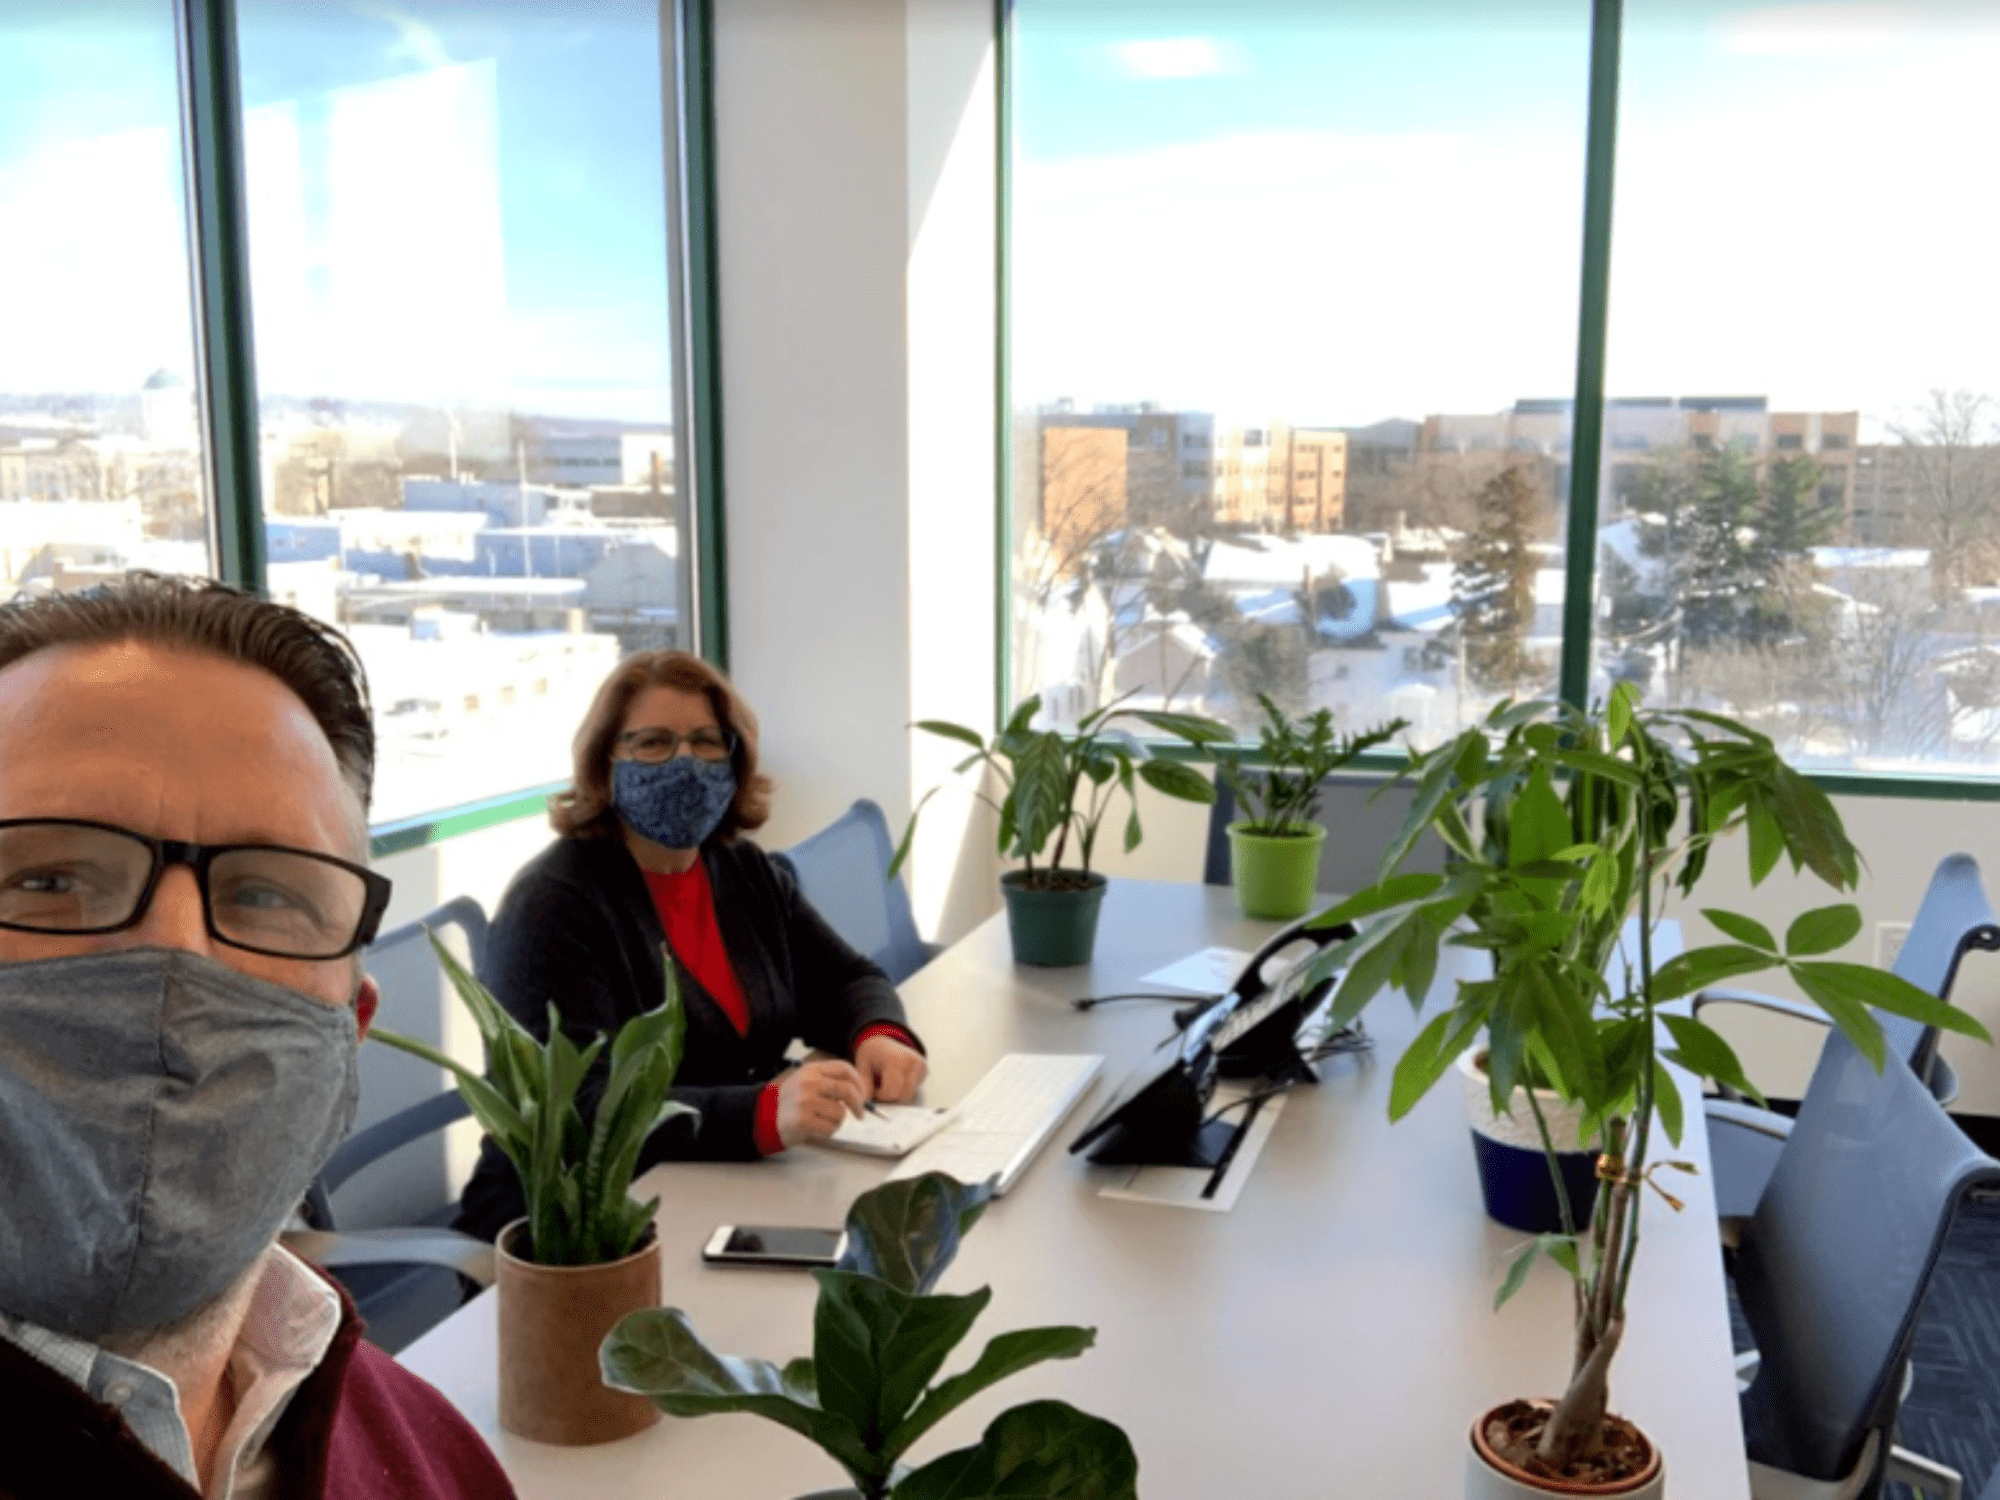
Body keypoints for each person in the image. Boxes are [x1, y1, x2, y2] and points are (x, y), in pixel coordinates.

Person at [0, 573, 514, 1500]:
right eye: (46, 880)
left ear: (349, 1031)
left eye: (266, 894)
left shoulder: (433, 1458)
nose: (175, 955)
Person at [454, 650, 928, 1242]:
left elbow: (846, 979)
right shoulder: (553, 902)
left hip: (720, 1190)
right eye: (653, 743)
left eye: (707, 742)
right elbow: (581, 1107)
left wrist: (877, 1032)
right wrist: (759, 1114)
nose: (686, 762)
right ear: (605, 764)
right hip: (570, 1232)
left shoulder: (743, 871)